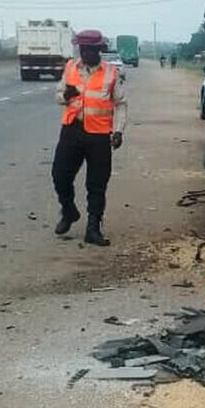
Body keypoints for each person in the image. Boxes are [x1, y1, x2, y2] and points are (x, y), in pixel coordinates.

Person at [52, 29, 127, 246]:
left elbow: (121, 104)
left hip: (99, 135)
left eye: (91, 50)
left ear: (99, 50)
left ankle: (93, 228)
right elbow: (58, 95)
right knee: (60, 175)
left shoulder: (112, 73)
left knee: (97, 184)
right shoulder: (70, 68)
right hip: (72, 131)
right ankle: (69, 211)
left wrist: (119, 130)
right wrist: (65, 95)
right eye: (83, 49)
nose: (86, 53)